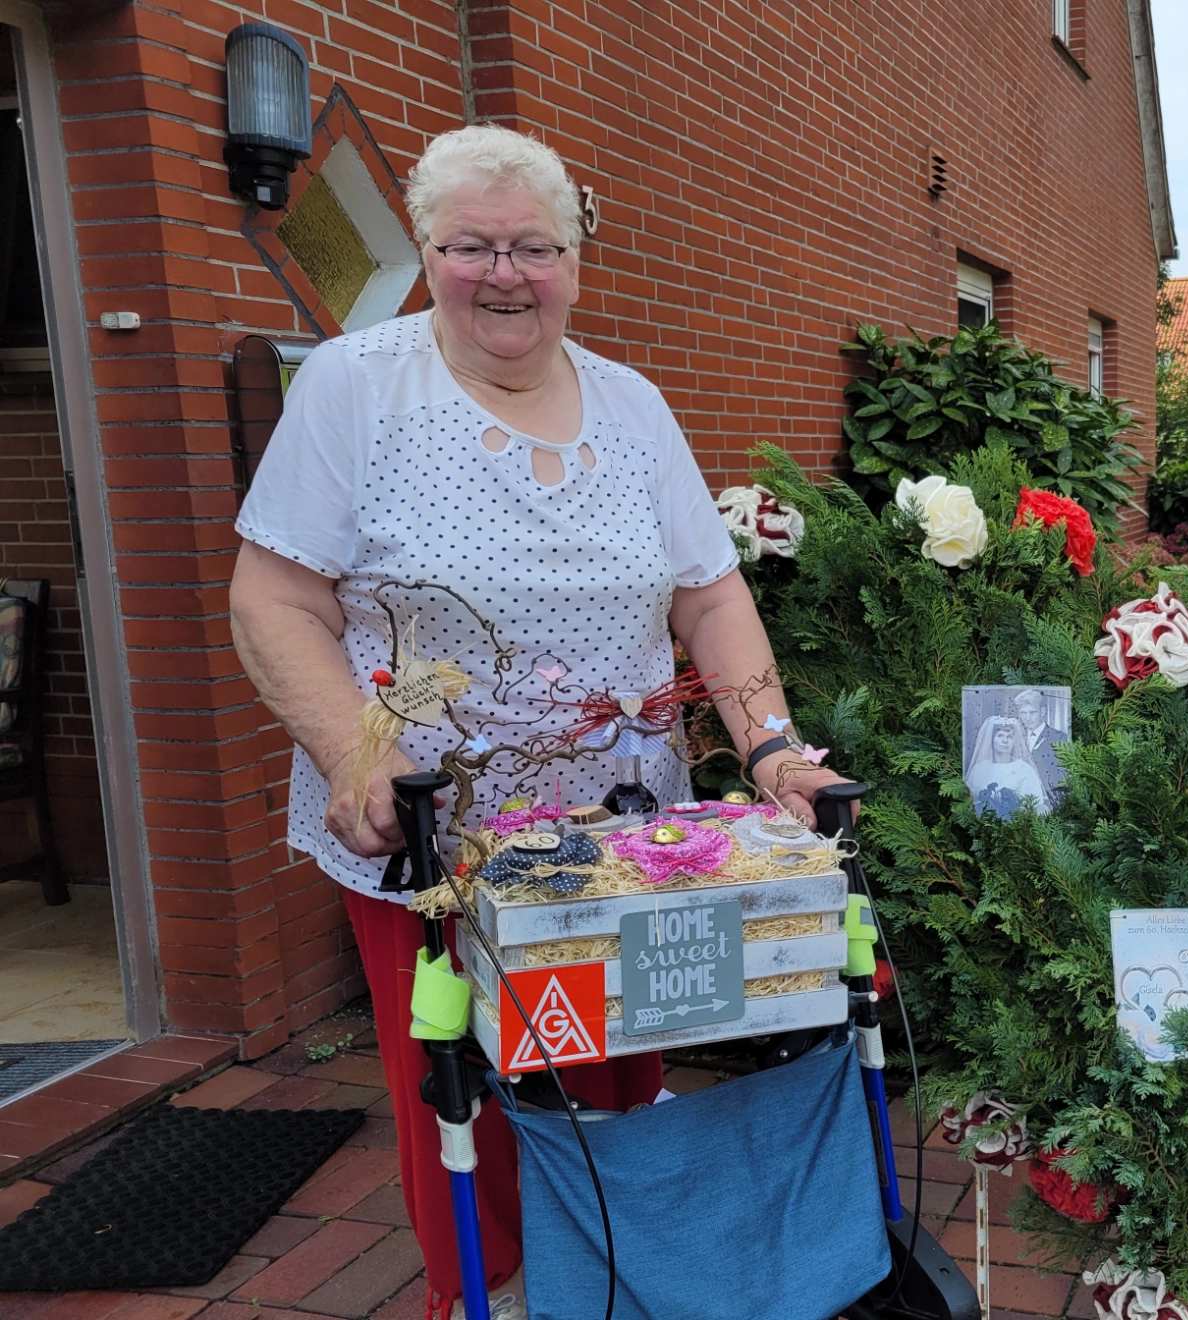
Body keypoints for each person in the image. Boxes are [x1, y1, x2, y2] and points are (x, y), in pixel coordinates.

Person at [228, 125, 850, 1320]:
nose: (504, 274)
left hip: (623, 840)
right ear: (426, 249)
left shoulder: (632, 406)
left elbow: (710, 596)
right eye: (471, 246)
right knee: (462, 1097)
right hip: (434, 837)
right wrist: (354, 754)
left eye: (534, 248)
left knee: (615, 1071)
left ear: (575, 258)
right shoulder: (356, 388)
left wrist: (771, 746)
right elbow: (274, 598)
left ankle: (628, 1283)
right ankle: (495, 1297)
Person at [966, 715, 1047, 818]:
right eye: (1000, 736)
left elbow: (1033, 806)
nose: (1005, 741)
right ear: (992, 739)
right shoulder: (979, 769)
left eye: (1009, 737)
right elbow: (970, 803)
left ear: (1015, 741)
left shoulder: (1023, 769)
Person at [1012, 687, 1069, 799]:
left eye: (1032, 712)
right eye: (1023, 713)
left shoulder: (1060, 738)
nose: (1027, 718)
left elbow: (1062, 776)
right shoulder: (1014, 738)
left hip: (1051, 799)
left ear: (1042, 711)